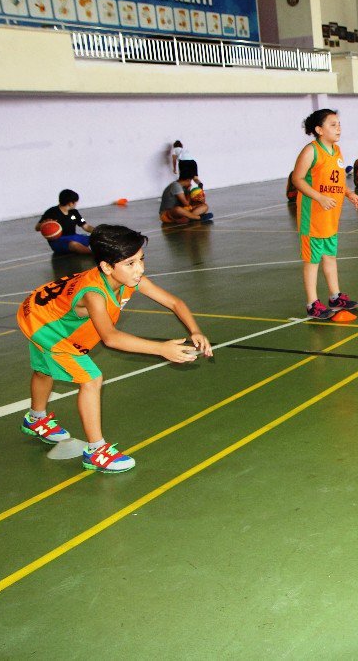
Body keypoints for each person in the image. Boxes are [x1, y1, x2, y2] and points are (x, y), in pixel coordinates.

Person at [17, 224, 213, 473]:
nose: (139, 269)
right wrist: (161, 349)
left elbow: (175, 302)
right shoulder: (94, 294)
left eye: (141, 259)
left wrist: (194, 330)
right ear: (107, 267)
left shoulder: (129, 278)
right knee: (91, 379)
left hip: (40, 310)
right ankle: (96, 451)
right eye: (130, 263)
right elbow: (110, 338)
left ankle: (35, 419)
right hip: (43, 325)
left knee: (44, 370)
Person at [291, 109, 358, 319]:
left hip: (330, 217)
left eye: (339, 123)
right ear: (319, 129)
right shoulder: (311, 151)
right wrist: (319, 197)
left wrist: (349, 193)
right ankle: (312, 303)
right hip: (312, 217)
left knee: (330, 257)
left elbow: (337, 181)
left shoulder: (337, 151)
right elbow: (297, 179)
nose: (338, 128)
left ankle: (335, 296)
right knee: (312, 261)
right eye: (333, 124)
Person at [37, 189, 94, 255]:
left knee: (97, 238)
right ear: (70, 203)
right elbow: (37, 228)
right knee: (74, 245)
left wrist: (99, 231)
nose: (76, 204)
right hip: (58, 241)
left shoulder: (74, 212)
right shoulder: (51, 212)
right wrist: (44, 223)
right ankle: (95, 255)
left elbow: (86, 226)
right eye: (75, 202)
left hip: (74, 236)